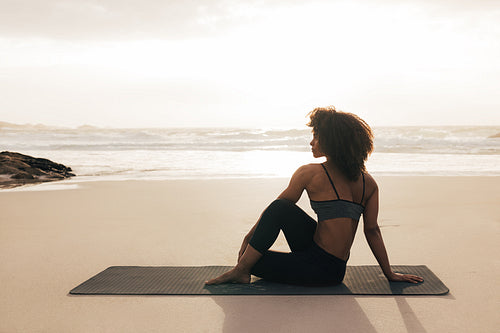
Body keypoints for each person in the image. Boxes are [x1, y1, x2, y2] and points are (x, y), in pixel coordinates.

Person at [206, 106, 423, 286]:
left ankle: (242, 271)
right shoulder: (369, 183)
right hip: (336, 269)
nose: (311, 143)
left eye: (316, 137)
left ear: (332, 142)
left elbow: (276, 209)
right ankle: (243, 267)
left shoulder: (310, 173)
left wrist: (248, 242)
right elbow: (372, 231)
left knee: (253, 254)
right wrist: (390, 274)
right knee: (280, 211)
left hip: (318, 271)